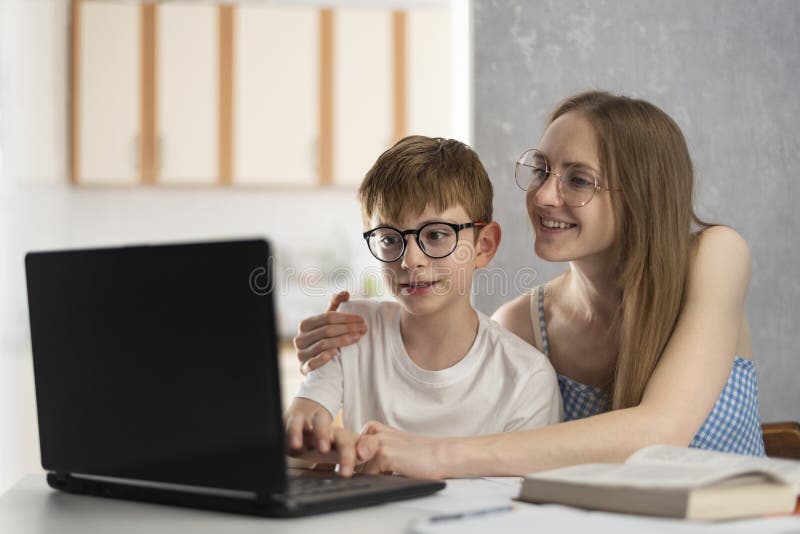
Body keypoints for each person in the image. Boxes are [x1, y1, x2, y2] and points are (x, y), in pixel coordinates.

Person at [293, 91, 764, 479]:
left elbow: (661, 430)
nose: (541, 196)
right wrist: (340, 347)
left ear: (640, 193)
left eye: (578, 180)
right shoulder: (523, 323)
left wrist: (432, 454)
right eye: (541, 170)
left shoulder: (715, 256)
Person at [285, 136, 562, 475]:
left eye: (436, 235)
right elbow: (296, 434)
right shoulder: (351, 330)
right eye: (389, 238)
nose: (410, 259)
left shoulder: (526, 378)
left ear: (484, 245)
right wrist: (320, 441)